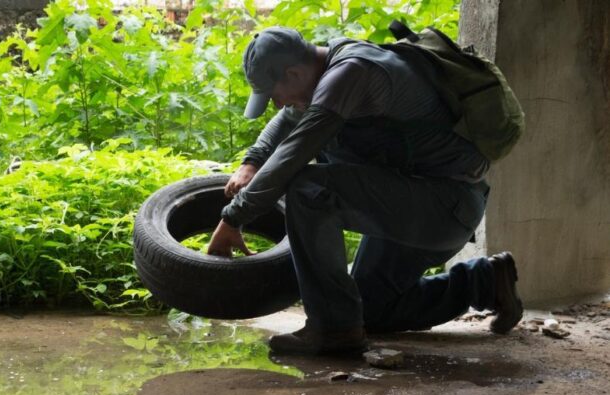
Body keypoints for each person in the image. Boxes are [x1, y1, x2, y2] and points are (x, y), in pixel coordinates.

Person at [206, 26, 523, 355]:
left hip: (444, 206)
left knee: (309, 189)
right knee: (371, 309)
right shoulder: (325, 67)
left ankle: (332, 329)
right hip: (413, 198)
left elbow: (293, 152)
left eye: (274, 94)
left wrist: (233, 218)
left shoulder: (352, 73)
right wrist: (252, 161)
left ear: (294, 73)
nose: (276, 104)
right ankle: (485, 282)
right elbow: (288, 118)